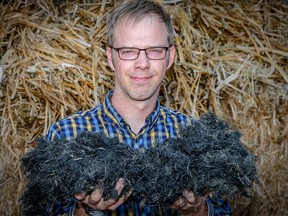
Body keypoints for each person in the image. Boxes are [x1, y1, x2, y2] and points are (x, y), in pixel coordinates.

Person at [46, 0, 231, 215]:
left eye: (154, 50)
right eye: (128, 51)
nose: (142, 63)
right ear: (110, 57)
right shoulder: (65, 136)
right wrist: (87, 211)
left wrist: (197, 211)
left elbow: (222, 211)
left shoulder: (198, 140)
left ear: (169, 57)